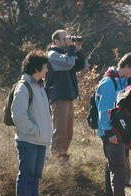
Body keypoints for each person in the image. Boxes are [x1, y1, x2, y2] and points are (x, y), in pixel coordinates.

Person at [96, 53, 131, 196]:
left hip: (117, 131)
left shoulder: (120, 81)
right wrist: (109, 133)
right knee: (119, 167)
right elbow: (104, 111)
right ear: (126, 66)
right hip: (111, 132)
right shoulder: (109, 83)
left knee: (112, 166)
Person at [11, 50, 52, 196]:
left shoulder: (39, 85)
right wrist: (34, 130)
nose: (47, 70)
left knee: (34, 177)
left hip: (39, 140)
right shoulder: (24, 86)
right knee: (26, 175)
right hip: (28, 140)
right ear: (36, 68)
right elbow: (18, 115)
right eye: (45, 66)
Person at [45, 29, 88, 161]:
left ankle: (62, 158)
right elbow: (69, 63)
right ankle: (57, 160)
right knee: (60, 132)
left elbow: (83, 65)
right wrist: (71, 48)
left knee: (68, 133)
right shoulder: (52, 55)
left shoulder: (67, 54)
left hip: (68, 97)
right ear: (55, 41)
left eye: (68, 38)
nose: (67, 40)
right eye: (64, 38)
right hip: (59, 97)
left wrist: (78, 49)